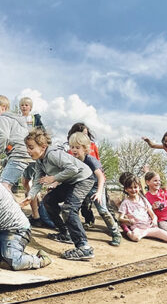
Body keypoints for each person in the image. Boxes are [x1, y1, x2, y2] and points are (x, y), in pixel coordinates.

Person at [20, 129, 96, 261]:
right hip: (70, 180)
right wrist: (30, 196)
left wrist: (54, 178)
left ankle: (84, 247)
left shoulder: (53, 155)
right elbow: (38, 181)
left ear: (43, 147)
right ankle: (65, 232)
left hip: (84, 179)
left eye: (31, 147)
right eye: (27, 148)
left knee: (69, 209)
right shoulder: (39, 161)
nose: (28, 151)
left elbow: (73, 169)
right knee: (48, 201)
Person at [68, 132, 122, 246]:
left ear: (85, 148)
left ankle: (116, 233)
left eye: (77, 147)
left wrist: (98, 192)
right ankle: (72, 231)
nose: (74, 150)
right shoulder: (73, 160)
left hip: (96, 186)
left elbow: (101, 177)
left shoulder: (90, 160)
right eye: (72, 147)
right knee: (73, 207)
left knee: (102, 209)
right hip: (83, 186)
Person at [0, 95, 31, 192]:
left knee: (4, 185)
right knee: (25, 186)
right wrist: (6, 152)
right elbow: (13, 141)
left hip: (18, 156)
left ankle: (13, 207)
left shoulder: (1, 118)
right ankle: (38, 208)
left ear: (3, 107)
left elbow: (3, 137)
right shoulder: (16, 121)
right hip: (28, 155)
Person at [117, 172, 167, 244]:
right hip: (137, 228)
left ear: (139, 188)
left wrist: (154, 220)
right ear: (126, 189)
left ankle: (151, 233)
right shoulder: (125, 203)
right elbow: (120, 218)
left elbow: (152, 214)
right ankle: (126, 230)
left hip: (150, 227)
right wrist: (128, 221)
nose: (133, 190)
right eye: (130, 188)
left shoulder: (143, 200)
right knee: (136, 238)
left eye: (135, 187)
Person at [18, 96, 43, 199]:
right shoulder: (17, 119)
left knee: (29, 180)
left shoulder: (34, 119)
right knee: (26, 180)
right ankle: (33, 197)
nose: (24, 107)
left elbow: (42, 132)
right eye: (22, 105)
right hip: (22, 150)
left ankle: (34, 198)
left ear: (30, 107)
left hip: (32, 151)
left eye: (26, 105)